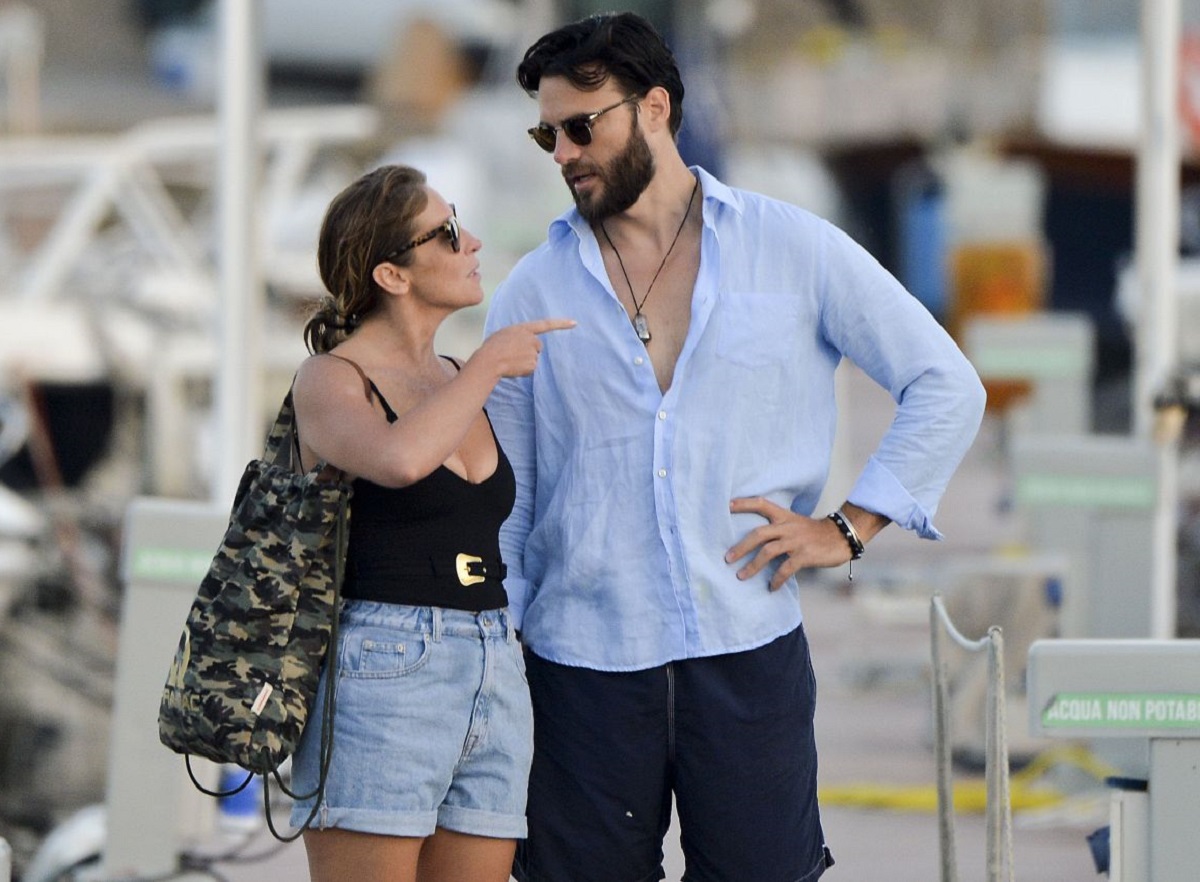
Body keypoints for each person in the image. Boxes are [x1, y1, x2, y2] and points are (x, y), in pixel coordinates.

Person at [482, 12, 987, 882]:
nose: (562, 153)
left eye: (580, 127)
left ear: (654, 109)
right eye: (546, 135)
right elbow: (513, 500)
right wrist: (496, 665)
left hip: (747, 651)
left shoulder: (791, 249)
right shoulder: (533, 290)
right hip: (580, 668)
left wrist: (849, 528)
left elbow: (945, 383)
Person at [286, 163, 574, 882]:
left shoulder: (453, 374)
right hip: (384, 667)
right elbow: (397, 460)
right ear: (392, 275)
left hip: (493, 662)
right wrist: (488, 366)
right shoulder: (331, 378)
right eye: (446, 232)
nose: (471, 241)